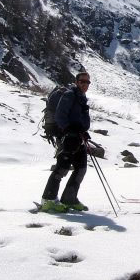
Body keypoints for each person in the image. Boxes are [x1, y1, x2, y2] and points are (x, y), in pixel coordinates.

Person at [40, 71, 91, 212]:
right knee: (62, 167)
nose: (85, 84)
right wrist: (69, 131)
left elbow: (80, 120)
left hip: (78, 137)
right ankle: (48, 199)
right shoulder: (69, 95)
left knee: (81, 168)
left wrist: (83, 131)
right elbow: (60, 116)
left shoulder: (82, 97)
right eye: (82, 81)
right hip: (67, 138)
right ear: (77, 82)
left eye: (87, 82)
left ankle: (69, 198)